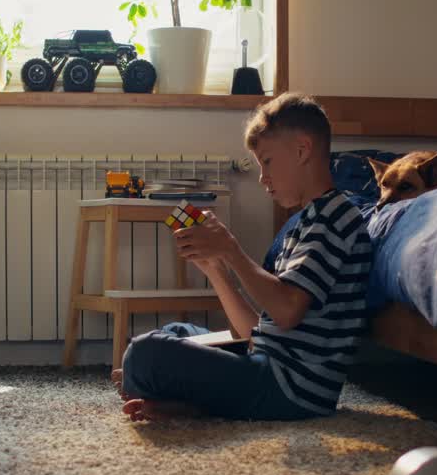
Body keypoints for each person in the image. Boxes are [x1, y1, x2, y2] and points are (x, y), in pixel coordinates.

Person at [115, 93, 373, 422]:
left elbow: (287, 312)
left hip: (289, 389)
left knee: (144, 353)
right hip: (264, 365)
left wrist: (231, 249)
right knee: (177, 331)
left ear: (301, 150)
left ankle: (181, 399)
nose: (262, 177)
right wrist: (217, 271)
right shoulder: (304, 223)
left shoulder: (337, 219)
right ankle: (184, 402)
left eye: (266, 161)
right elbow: (255, 333)